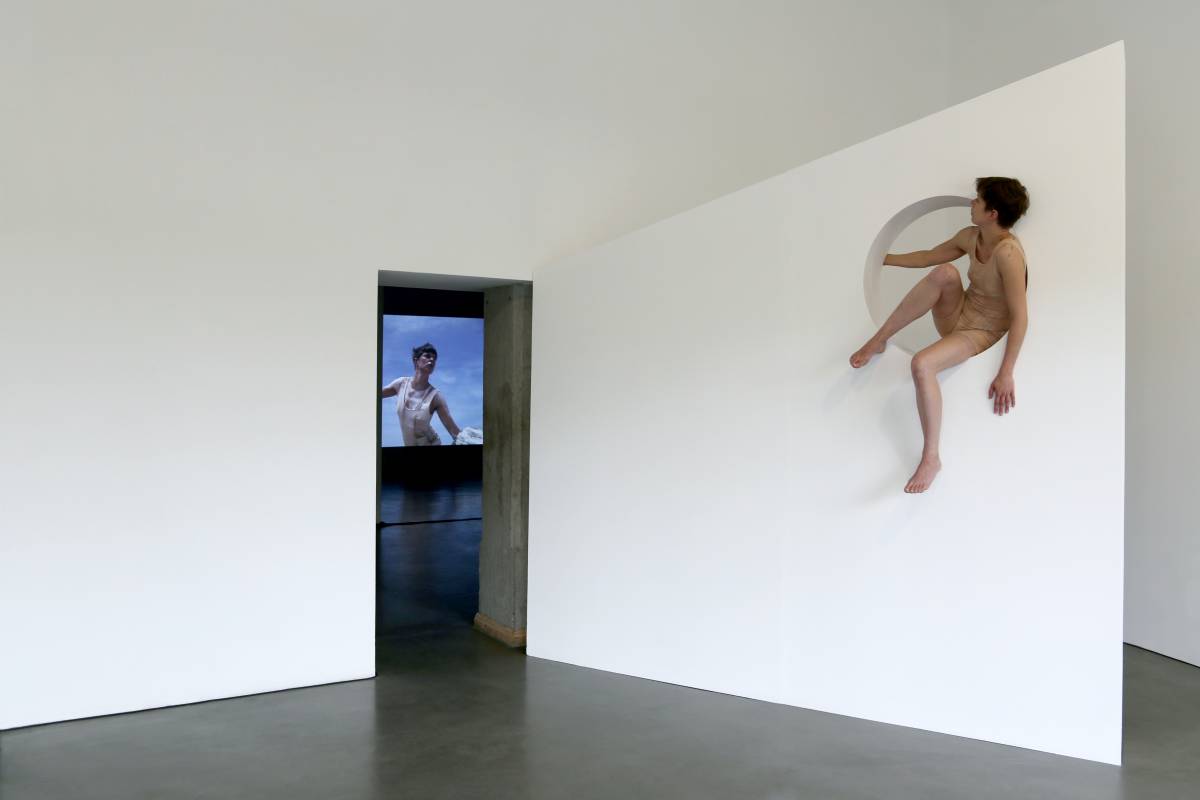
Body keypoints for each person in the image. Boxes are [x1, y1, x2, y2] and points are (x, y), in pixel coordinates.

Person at [849, 177, 1030, 493]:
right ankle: (879, 339)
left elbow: (1020, 316)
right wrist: (882, 259)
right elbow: (929, 256)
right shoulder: (971, 236)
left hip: (980, 332)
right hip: (958, 315)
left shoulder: (1009, 254)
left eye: (978, 200)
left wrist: (1006, 372)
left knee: (922, 364)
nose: (972, 203)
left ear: (993, 213)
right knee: (945, 272)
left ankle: (930, 458)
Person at [380, 342, 462, 446]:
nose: (432, 360)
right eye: (427, 356)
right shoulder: (401, 384)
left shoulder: (436, 396)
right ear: (416, 361)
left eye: (434, 358)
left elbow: (454, 431)